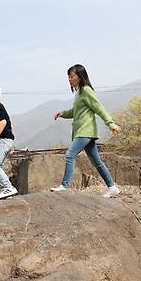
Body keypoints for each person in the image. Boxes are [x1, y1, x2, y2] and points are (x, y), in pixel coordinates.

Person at [50, 64, 121, 198]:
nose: (69, 79)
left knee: (70, 154)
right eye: (68, 77)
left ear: (80, 76)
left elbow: (99, 108)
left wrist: (111, 124)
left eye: (72, 76)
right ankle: (112, 187)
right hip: (83, 132)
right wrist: (62, 113)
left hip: (85, 131)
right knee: (97, 162)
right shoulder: (79, 93)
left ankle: (64, 186)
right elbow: (75, 112)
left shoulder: (87, 91)